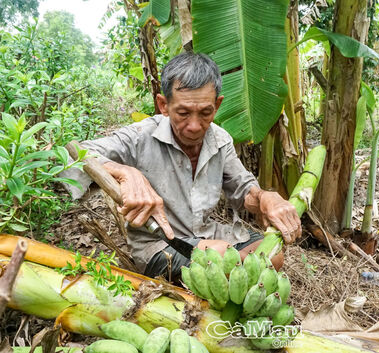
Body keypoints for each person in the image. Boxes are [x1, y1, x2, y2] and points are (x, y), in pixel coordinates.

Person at [73, 52, 301, 279]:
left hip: (208, 236)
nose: (194, 126)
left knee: (272, 256)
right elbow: (73, 153)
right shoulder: (140, 136)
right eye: (183, 113)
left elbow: (244, 191)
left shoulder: (220, 141)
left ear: (217, 105)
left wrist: (264, 198)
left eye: (205, 113)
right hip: (161, 245)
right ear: (163, 105)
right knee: (225, 259)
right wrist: (125, 172)